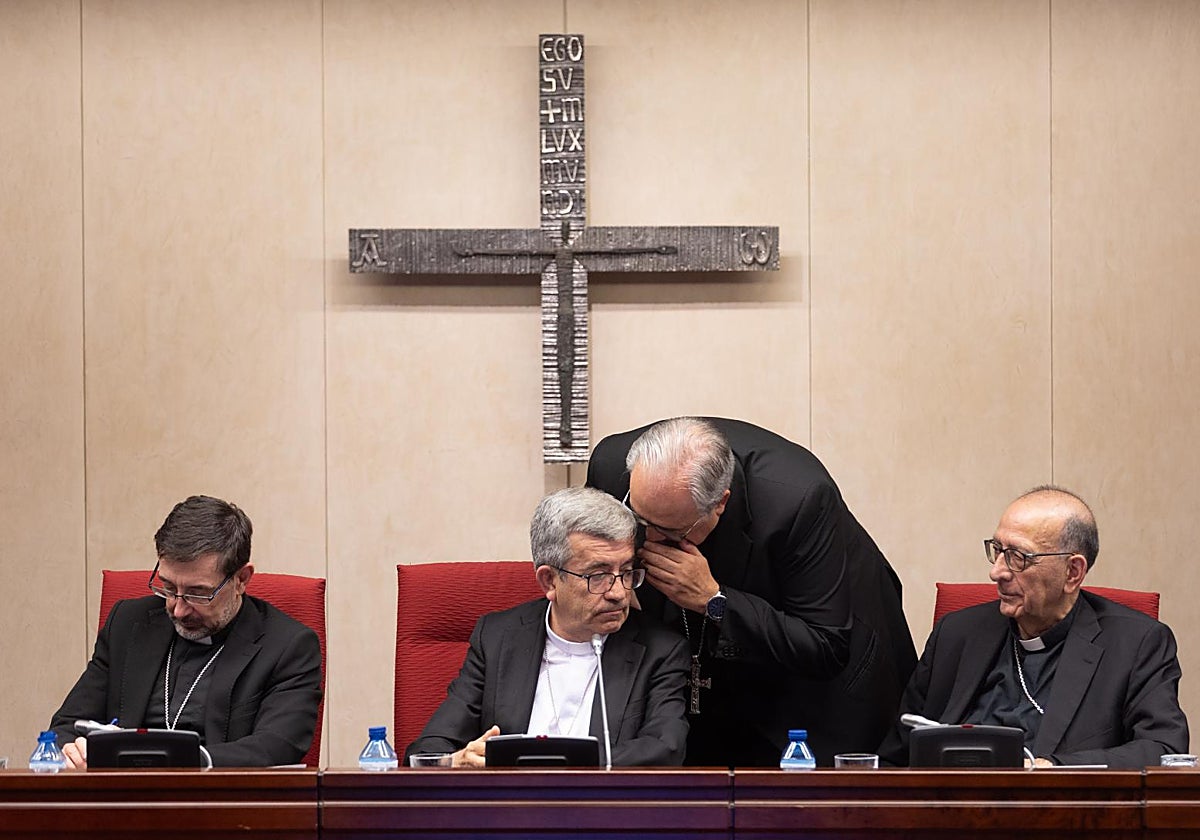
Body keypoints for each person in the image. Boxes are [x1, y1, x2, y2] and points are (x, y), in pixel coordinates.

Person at [587, 417, 917, 766]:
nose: (649, 540)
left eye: (668, 530)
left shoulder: (798, 498)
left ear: (720, 503)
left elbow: (824, 644)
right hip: (707, 671)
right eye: (639, 520)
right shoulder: (611, 466)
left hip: (820, 677)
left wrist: (714, 601)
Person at [878, 486, 1189, 768]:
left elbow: (1163, 749)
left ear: (1072, 572)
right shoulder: (956, 634)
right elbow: (896, 756)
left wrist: (1052, 769)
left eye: (1017, 557)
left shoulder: (1136, 644)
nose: (996, 572)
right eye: (997, 550)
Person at [405, 486, 690, 767]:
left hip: (603, 808)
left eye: (627, 572)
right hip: (507, 808)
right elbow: (427, 751)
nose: (618, 592)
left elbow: (665, 749)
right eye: (599, 575)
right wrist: (456, 761)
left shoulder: (660, 649)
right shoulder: (497, 638)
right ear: (549, 581)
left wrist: (552, 763)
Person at [49, 495, 322, 768]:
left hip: (220, 801)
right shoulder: (128, 624)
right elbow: (66, 725)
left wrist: (179, 759)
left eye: (198, 594)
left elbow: (276, 746)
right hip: (122, 802)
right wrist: (76, 753)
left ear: (241, 580)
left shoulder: (289, 646)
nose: (178, 610)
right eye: (168, 587)